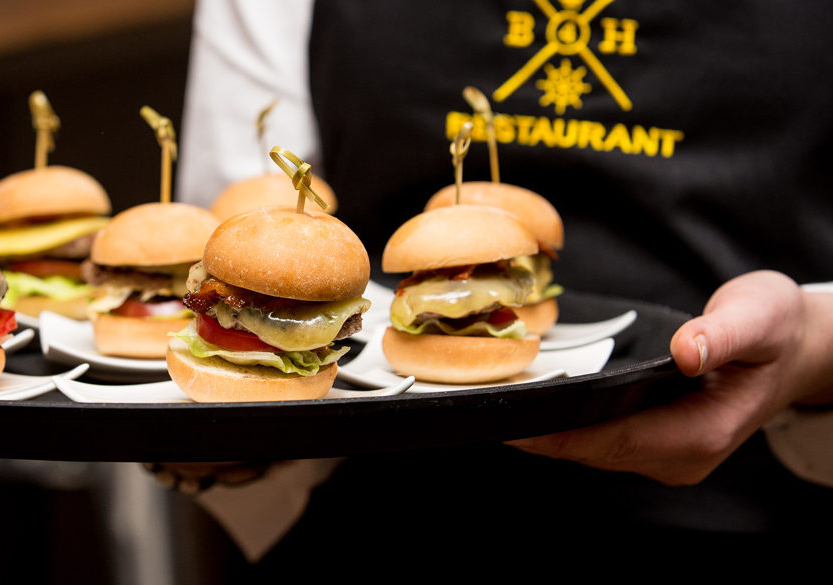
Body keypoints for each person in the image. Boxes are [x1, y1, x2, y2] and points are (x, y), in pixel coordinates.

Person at [168, 0, 833, 575]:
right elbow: (249, 233)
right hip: (369, 513)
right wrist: (221, 442)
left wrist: (819, 346)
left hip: (764, 501)